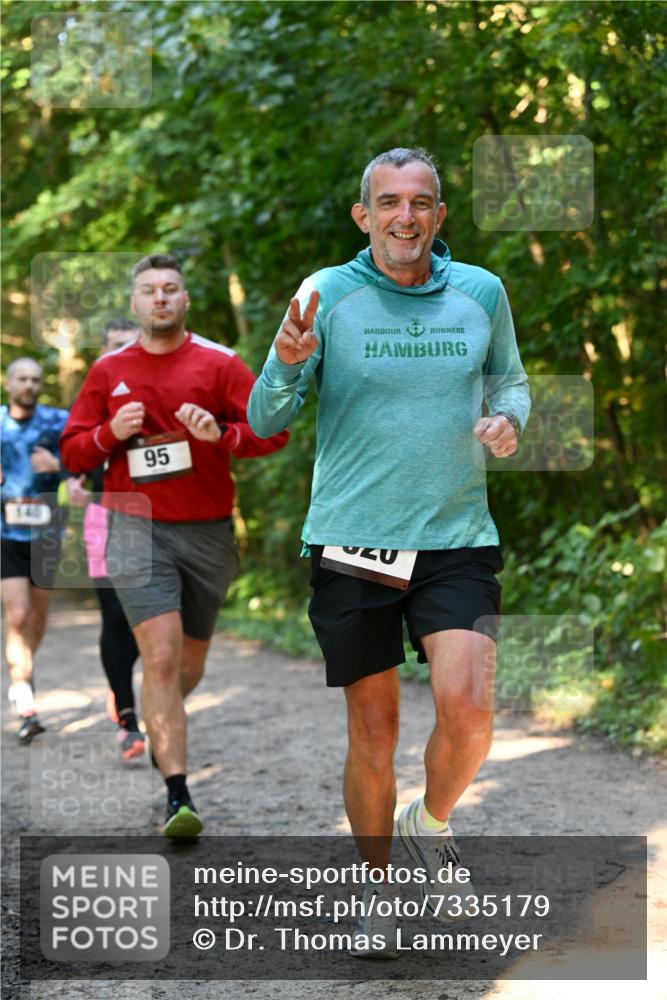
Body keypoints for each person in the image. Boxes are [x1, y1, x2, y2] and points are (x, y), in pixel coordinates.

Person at [248, 147, 530, 956]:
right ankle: (377, 890)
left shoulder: (480, 291)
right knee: (373, 733)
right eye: (388, 202)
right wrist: (285, 364)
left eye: (420, 202)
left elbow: (510, 382)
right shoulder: (324, 294)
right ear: (362, 215)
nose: (405, 216)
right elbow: (266, 419)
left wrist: (508, 420)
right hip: (354, 540)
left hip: (455, 536)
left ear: (438, 214)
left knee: (469, 709)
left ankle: (429, 825)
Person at [60, 254, 289, 838]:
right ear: (134, 303)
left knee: (187, 666)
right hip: (133, 527)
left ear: (185, 300)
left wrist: (223, 434)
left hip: (207, 530)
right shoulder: (107, 371)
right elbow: (72, 451)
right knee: (160, 659)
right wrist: (110, 433)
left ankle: (159, 714)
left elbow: (272, 431)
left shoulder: (219, 363)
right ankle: (178, 795)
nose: (159, 298)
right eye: (149, 290)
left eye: (170, 289)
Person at [65, 318, 144, 763]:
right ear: (101, 353)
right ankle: (128, 719)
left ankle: (138, 694)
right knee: (116, 615)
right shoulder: (93, 395)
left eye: (130, 344)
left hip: (160, 519)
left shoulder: (157, 390)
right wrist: (72, 481)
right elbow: (71, 451)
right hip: (104, 518)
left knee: (149, 619)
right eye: (115, 346)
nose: (123, 353)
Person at [1, 358, 69, 744]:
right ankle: (24, 694)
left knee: (38, 619)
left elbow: (85, 463)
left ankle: (22, 673)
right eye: (22, 378)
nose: (29, 385)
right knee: (18, 615)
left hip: (46, 532)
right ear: (9, 383)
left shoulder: (57, 421)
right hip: (5, 531)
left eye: (35, 379)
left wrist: (57, 464)